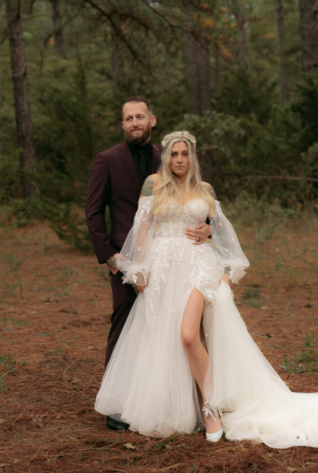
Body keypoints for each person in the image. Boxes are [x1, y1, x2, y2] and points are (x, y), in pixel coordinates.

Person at [95, 131, 318, 448]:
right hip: (162, 270)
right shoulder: (153, 184)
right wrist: (139, 269)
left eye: (185, 154)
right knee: (169, 339)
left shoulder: (204, 189)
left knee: (188, 335)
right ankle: (180, 405)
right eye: (174, 154)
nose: (179, 160)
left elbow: (223, 235)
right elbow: (142, 229)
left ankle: (211, 406)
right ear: (166, 157)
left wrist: (214, 240)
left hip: (198, 267)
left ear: (192, 156)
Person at [85, 99, 211, 431]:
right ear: (123, 124)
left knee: (173, 327)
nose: (134, 122)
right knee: (127, 326)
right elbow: (94, 214)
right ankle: (119, 403)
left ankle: (180, 398)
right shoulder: (107, 160)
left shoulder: (170, 153)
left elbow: (199, 203)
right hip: (126, 259)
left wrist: (209, 227)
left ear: (152, 120)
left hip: (174, 261)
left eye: (140, 116)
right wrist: (114, 261)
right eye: (128, 118)